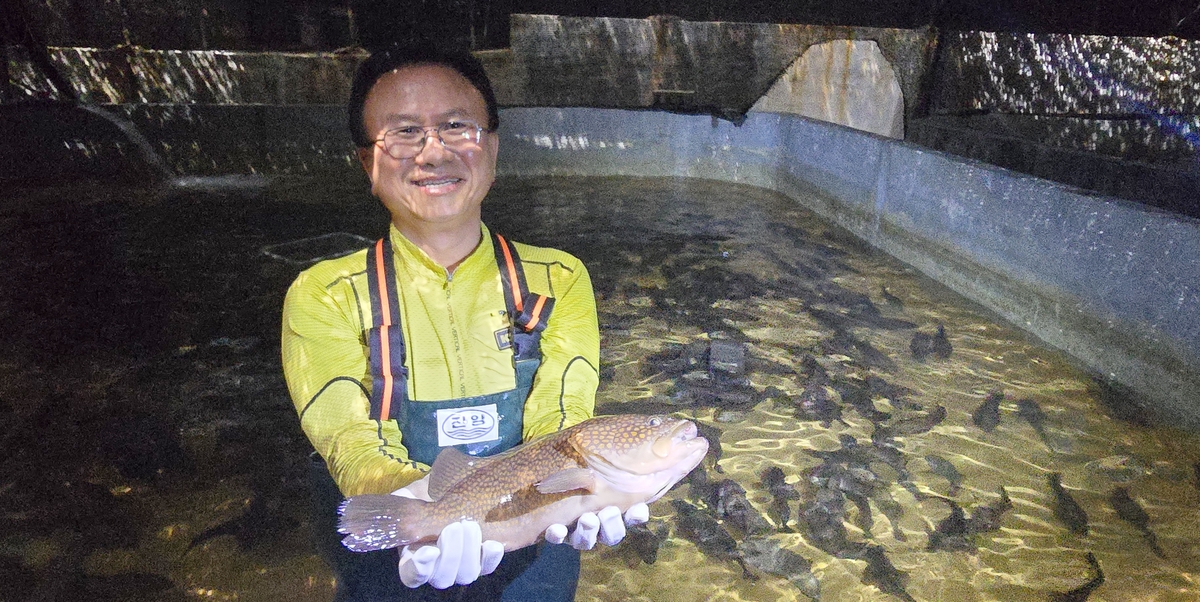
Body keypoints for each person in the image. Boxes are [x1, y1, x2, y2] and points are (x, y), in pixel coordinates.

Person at [280, 45, 645, 601]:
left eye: (456, 126)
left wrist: (586, 493)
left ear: (492, 147)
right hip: (398, 547)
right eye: (404, 132)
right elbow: (350, 443)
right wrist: (415, 510)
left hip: (533, 539)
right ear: (367, 163)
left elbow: (562, 421)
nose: (433, 152)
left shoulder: (559, 279)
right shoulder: (324, 295)